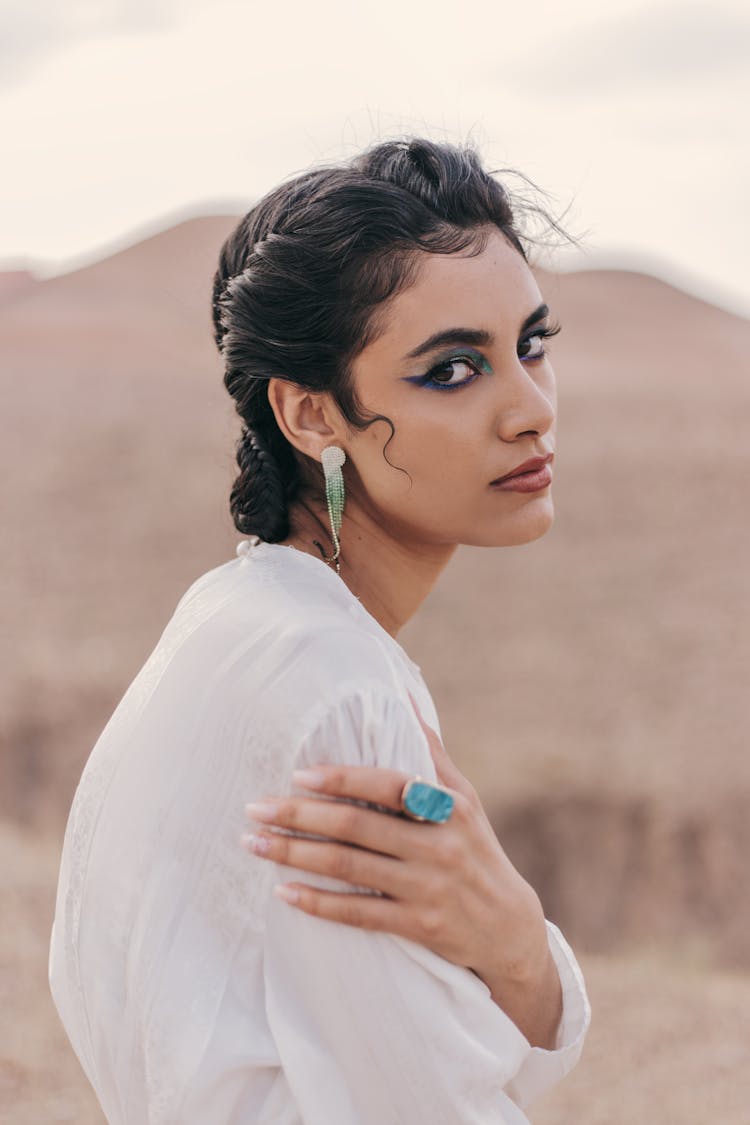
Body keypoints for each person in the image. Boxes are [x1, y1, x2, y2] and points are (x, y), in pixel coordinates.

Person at [49, 136, 591, 1123]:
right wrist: (517, 950)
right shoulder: (336, 691)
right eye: (454, 369)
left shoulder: (241, 612)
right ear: (310, 415)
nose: (530, 410)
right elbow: (437, 1102)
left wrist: (513, 937)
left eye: (533, 345)